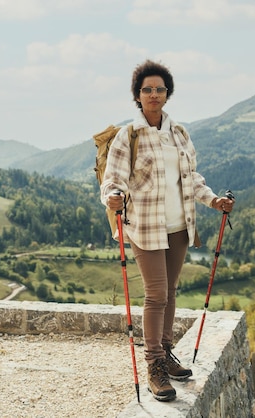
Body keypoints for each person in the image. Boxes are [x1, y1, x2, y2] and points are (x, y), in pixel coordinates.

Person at [100, 59, 235, 402]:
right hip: (143, 226)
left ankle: (166, 352)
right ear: (138, 95)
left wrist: (213, 201)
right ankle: (154, 366)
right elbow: (112, 181)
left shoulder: (179, 133)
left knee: (171, 292)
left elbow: (191, 179)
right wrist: (113, 198)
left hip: (179, 225)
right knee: (156, 294)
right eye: (147, 89)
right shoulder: (126, 136)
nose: (154, 94)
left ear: (167, 93)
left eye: (160, 89)